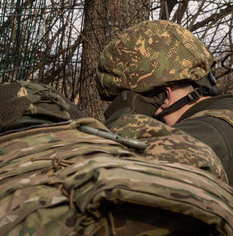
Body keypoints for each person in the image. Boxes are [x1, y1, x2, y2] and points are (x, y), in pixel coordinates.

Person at [98, 19, 233, 178]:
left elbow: (111, 176)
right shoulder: (223, 119)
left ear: (164, 97)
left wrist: (123, 122)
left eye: (123, 100)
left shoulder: (206, 135)